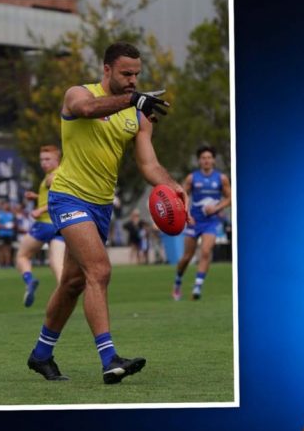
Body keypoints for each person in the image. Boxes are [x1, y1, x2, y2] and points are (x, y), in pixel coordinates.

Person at [25, 42, 188, 384]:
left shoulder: (139, 116)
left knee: (72, 282)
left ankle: (41, 354)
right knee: (99, 270)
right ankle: (109, 358)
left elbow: (149, 165)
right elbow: (86, 109)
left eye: (137, 75)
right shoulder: (77, 93)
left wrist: (173, 186)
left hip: (100, 206)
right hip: (68, 198)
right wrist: (132, 99)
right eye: (126, 73)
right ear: (107, 69)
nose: (132, 80)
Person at [173, 146, 231, 300]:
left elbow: (230, 198)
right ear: (199, 161)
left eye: (209, 157)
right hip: (194, 221)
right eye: (203, 158)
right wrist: (185, 215)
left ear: (213, 160)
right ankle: (178, 282)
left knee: (205, 251)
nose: (206, 160)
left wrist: (217, 207)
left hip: (211, 222)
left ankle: (197, 286)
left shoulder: (221, 178)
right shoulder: (192, 178)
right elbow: (181, 197)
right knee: (187, 257)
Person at [15, 145, 66, 307]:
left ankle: (30, 280)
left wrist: (40, 210)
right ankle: (64, 298)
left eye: (47, 159)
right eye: (41, 160)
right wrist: (36, 196)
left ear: (57, 160)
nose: (43, 163)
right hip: (60, 226)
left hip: (45, 224)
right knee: (57, 265)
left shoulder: (52, 177)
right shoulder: (57, 175)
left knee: (22, 256)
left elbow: (59, 198)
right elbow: (51, 195)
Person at [0, 200, 15, 268]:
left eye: (7, 205)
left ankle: (7, 264)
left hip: (9, 234)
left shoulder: (10, 214)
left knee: (8, 249)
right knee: (1, 249)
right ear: (2, 206)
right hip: (1, 234)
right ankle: (1, 264)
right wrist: (4, 227)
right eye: (5, 205)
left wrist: (12, 226)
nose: (6, 206)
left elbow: (13, 224)